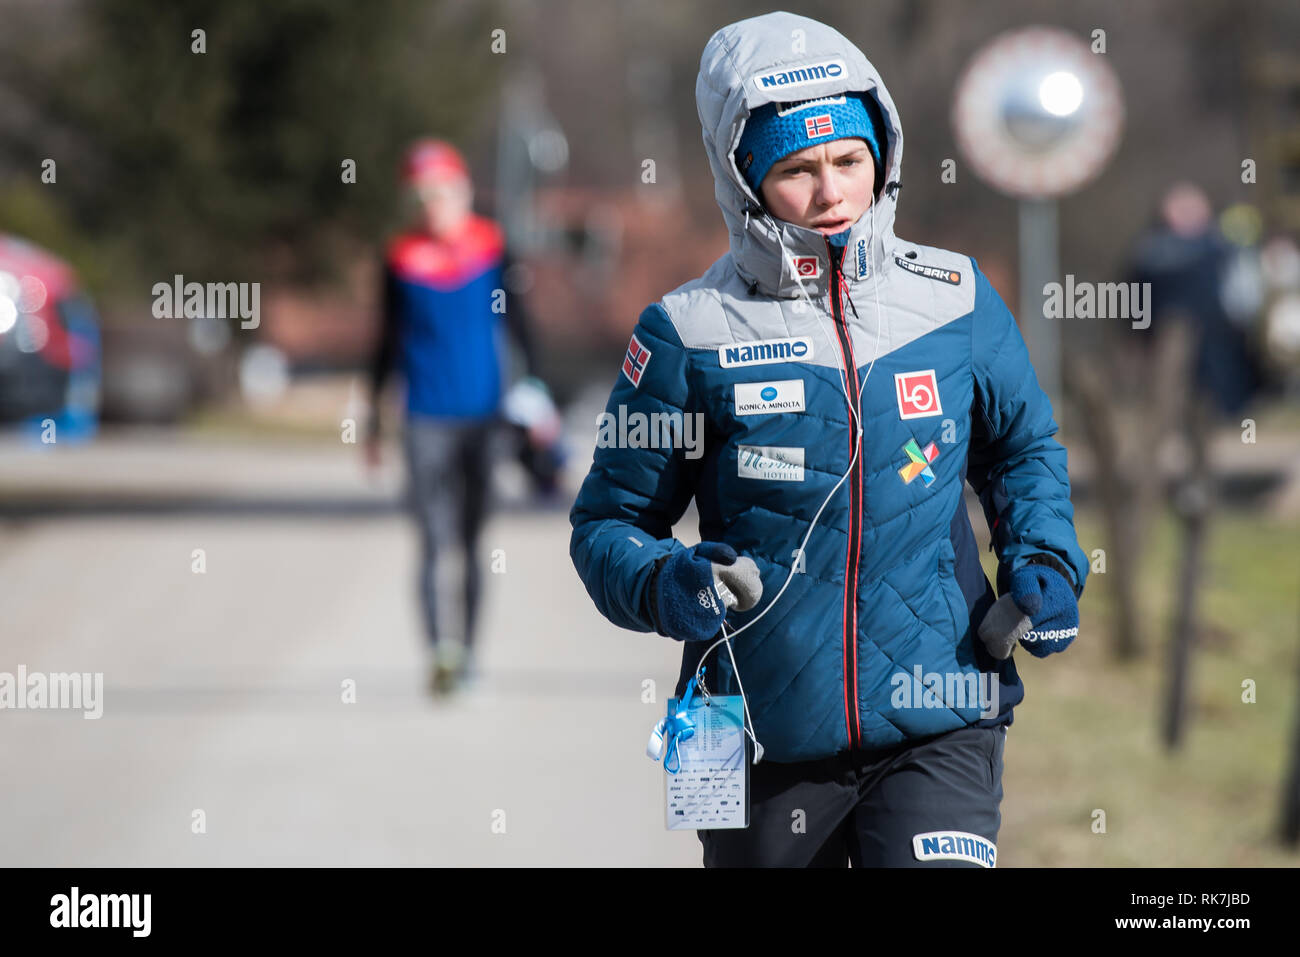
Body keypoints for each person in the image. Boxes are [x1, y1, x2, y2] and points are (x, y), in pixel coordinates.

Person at [568, 11, 1088, 867]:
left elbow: (1023, 447)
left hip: (941, 710)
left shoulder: (955, 299)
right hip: (757, 730)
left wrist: (1047, 560)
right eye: (797, 170)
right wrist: (668, 583)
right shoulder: (684, 333)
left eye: (849, 160)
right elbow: (607, 528)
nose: (831, 192)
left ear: (881, 152)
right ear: (742, 180)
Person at [367, 138, 541, 696]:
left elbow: (521, 325)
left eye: (440, 192)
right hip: (423, 419)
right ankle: (438, 653)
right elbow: (384, 342)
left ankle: (468, 654)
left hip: (483, 417)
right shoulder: (398, 258)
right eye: (420, 195)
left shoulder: (492, 247)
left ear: (462, 192)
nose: (431, 204)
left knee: (471, 541)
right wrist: (372, 419)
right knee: (431, 538)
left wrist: (537, 398)